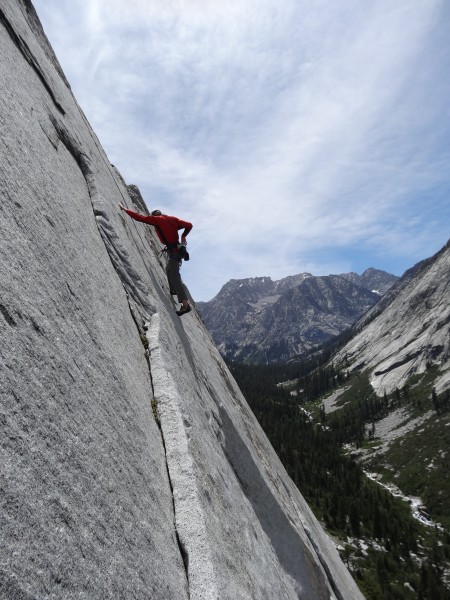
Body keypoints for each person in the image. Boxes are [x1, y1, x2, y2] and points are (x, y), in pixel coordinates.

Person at [119, 204, 193, 316]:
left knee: (174, 275)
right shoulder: (172, 219)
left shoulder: (157, 220)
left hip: (173, 252)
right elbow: (189, 225)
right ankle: (173, 290)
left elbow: (140, 218)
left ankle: (185, 305)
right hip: (176, 250)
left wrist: (125, 210)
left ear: (154, 215)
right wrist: (183, 235)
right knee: (169, 269)